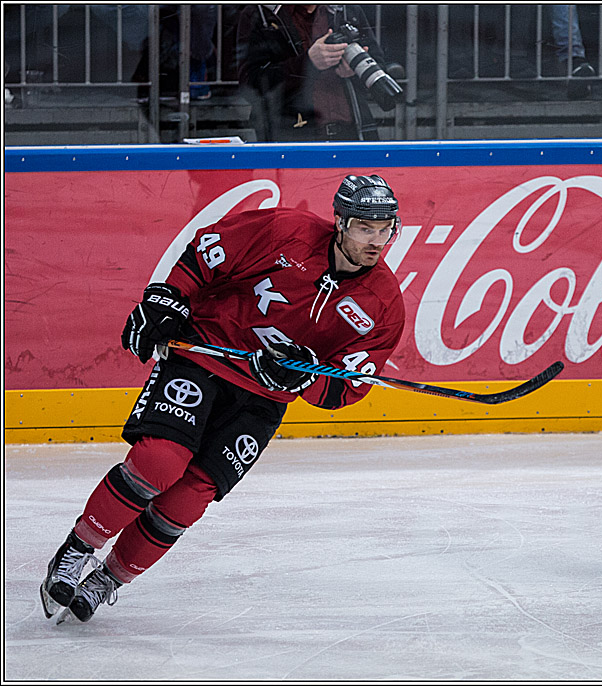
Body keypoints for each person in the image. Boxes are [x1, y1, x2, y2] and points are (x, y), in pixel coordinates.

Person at [39, 174, 407, 623]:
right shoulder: (284, 231)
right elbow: (209, 250)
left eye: (385, 228)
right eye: (365, 228)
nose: (376, 240)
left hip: (262, 401)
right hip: (205, 357)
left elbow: (345, 387)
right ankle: (76, 550)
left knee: (189, 497)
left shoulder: (385, 305)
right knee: (159, 462)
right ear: (340, 223)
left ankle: (108, 579)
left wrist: (299, 377)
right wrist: (167, 298)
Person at [236, 4, 391, 141]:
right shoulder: (259, 14)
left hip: (352, 133)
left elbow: (378, 65)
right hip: (292, 140)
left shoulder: (346, 10)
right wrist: (308, 63)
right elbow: (250, 84)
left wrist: (354, 69)